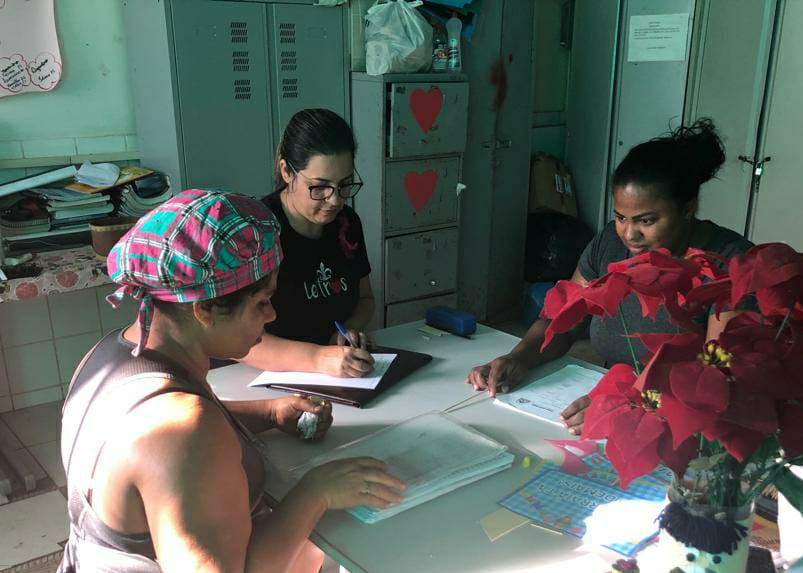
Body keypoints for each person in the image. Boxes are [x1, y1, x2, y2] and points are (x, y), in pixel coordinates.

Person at [59, 189, 405, 572]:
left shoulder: (111, 355)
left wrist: (270, 413)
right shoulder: (186, 432)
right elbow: (184, 443)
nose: (272, 316)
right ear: (204, 308)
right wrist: (316, 492)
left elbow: (158, 443)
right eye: (262, 302)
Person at [466, 119, 753, 435]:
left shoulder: (731, 264)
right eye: (620, 217)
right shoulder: (610, 245)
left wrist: (627, 403)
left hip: (684, 426)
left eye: (646, 220)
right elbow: (564, 321)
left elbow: (717, 376)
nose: (630, 234)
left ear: (688, 208)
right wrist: (519, 358)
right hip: (605, 402)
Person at [238, 108, 376, 379]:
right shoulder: (256, 233)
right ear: (286, 171)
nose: (335, 200)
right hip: (269, 377)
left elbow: (365, 299)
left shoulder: (346, 223)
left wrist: (347, 331)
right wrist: (319, 358)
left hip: (338, 371)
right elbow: (239, 342)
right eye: (319, 187)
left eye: (345, 184)